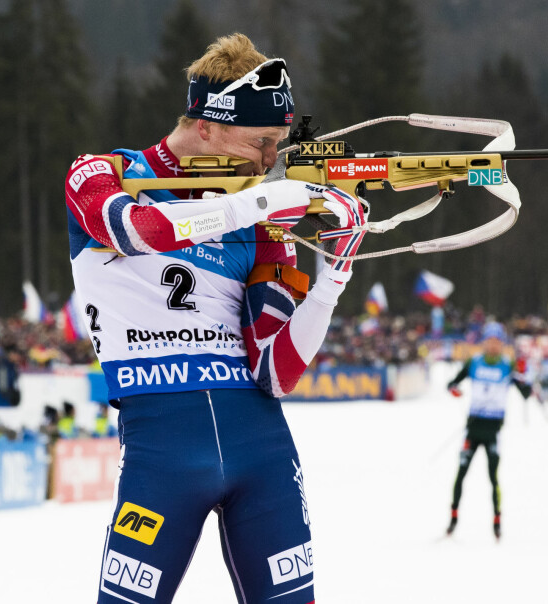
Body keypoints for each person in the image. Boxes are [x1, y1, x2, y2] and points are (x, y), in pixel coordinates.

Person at [66, 34, 366, 604]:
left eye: (279, 144)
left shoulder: (264, 222)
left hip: (263, 449)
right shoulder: (102, 171)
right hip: (162, 447)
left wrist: (334, 275)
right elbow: (137, 231)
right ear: (207, 126)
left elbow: (277, 374)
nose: (270, 161)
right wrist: (258, 204)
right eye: (262, 143)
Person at [445, 322, 531, 540]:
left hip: (493, 429)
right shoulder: (474, 362)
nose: (493, 346)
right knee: (460, 474)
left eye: (497, 342)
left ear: (501, 344)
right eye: (490, 341)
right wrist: (454, 390)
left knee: (493, 477)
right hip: (473, 427)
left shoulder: (507, 365)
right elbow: (452, 384)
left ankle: (497, 521)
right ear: (484, 342)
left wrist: (523, 373)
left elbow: (526, 392)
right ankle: (453, 519)